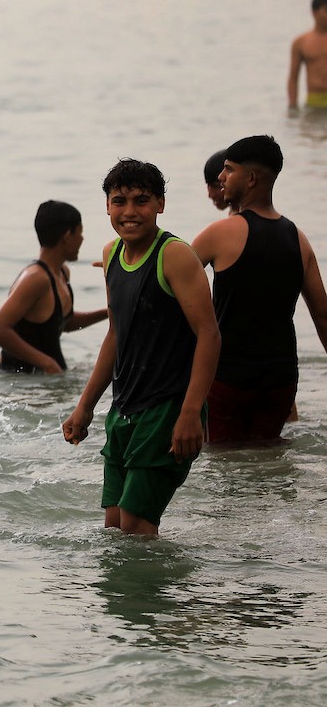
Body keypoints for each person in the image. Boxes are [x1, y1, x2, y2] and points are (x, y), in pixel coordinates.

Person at [62, 159, 220, 536]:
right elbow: (116, 335)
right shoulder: (111, 255)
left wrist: (190, 413)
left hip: (167, 409)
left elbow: (209, 335)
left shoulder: (175, 255)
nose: (129, 212)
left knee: (136, 525)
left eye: (141, 201)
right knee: (115, 525)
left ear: (160, 204)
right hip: (124, 409)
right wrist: (85, 406)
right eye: (119, 201)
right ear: (107, 206)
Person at [190, 135, 327, 443]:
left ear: (250, 178)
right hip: (281, 381)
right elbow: (323, 315)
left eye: (229, 169)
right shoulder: (298, 238)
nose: (221, 177)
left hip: (228, 378)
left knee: (224, 461)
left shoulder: (220, 233)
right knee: (266, 453)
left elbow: (171, 279)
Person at [0, 201, 109, 373]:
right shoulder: (36, 278)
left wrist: (108, 312)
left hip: (47, 378)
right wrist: (47, 363)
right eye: (80, 233)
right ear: (67, 236)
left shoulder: (62, 272)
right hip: (22, 380)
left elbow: (63, 322)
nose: (82, 239)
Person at [287, 0, 327, 109]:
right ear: (314, 13)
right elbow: (293, 78)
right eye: (325, 11)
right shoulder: (301, 42)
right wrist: (293, 106)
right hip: (314, 101)